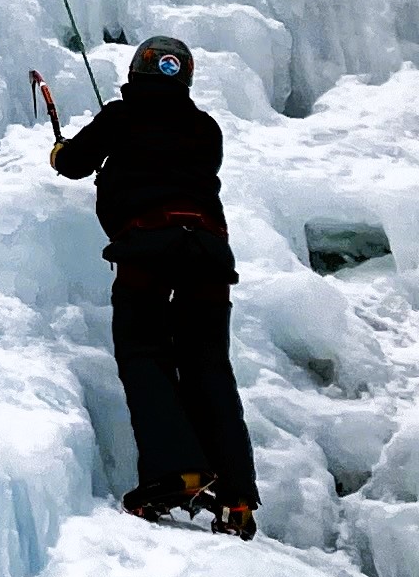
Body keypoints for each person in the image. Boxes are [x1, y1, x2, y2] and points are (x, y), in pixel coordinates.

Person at [41, 36, 259, 537]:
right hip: (208, 251)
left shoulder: (121, 116)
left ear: (137, 73)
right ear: (184, 79)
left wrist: (59, 152)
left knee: (143, 351)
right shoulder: (207, 129)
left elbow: (75, 162)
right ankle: (237, 496)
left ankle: (177, 472)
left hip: (149, 246)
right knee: (208, 363)